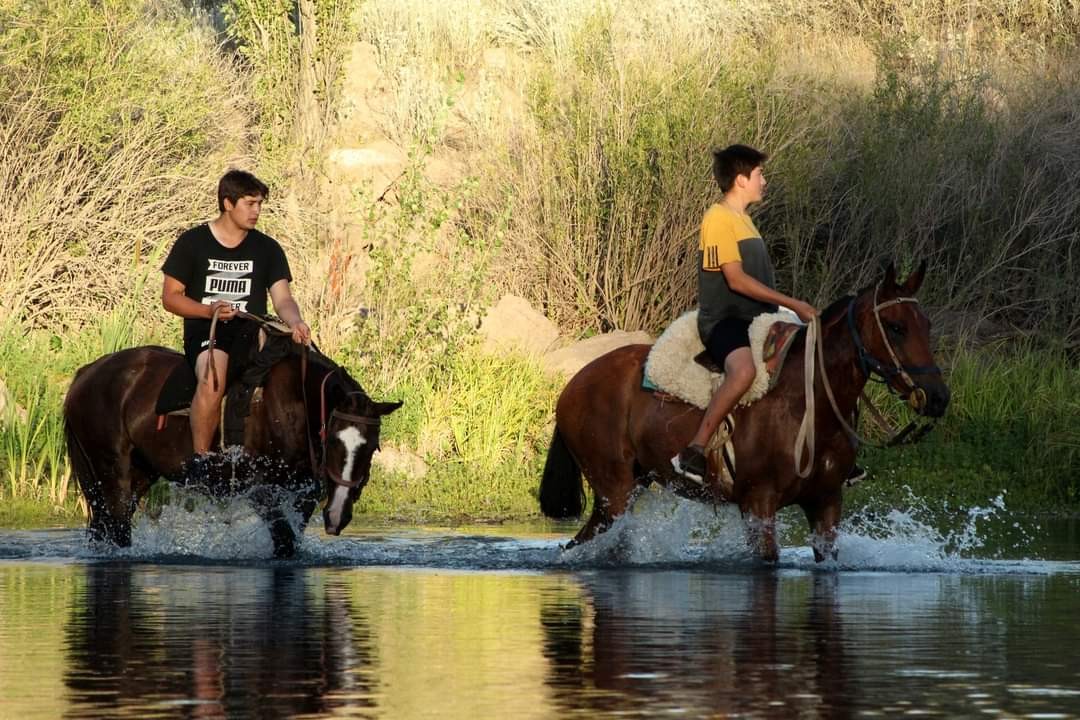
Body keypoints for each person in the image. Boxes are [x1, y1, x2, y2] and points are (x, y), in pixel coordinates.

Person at [671, 145, 818, 483]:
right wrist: (793, 304)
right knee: (742, 372)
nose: (763, 181)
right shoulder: (718, 218)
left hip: (757, 318)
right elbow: (736, 280)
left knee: (814, 354)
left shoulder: (745, 220)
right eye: (759, 175)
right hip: (725, 319)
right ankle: (695, 448)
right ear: (740, 179)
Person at [161, 169, 311, 459]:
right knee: (212, 379)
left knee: (301, 369)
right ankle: (202, 461)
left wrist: (295, 321)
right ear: (228, 204)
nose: (257, 211)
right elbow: (170, 298)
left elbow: (283, 298)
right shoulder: (192, 243)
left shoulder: (268, 248)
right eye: (250, 203)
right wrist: (208, 310)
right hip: (208, 329)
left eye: (260, 204)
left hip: (254, 330)